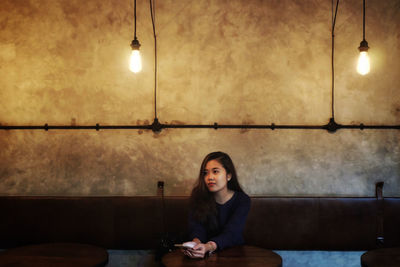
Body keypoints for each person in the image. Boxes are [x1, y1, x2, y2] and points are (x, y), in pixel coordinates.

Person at [183, 151, 251, 258]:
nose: (209, 177)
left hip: (234, 255)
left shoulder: (242, 200)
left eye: (215, 171)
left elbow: (232, 233)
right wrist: (195, 244)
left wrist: (209, 246)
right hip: (204, 255)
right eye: (205, 173)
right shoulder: (198, 196)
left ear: (228, 175)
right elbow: (196, 228)